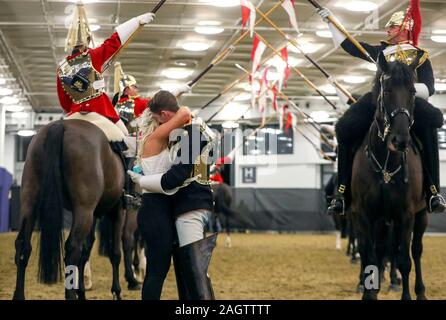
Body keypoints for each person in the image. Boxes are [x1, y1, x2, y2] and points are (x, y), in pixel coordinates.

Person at [317, 5, 446, 215]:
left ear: (405, 29)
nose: (387, 30)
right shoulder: (382, 52)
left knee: (432, 125)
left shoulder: (420, 55)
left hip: (409, 100)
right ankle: (342, 192)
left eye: (392, 27)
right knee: (345, 128)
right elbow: (351, 46)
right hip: (380, 99)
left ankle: (433, 192)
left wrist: (409, 91)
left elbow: (429, 87)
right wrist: (330, 22)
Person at [129, 90, 217, 300]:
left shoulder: (189, 134)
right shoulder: (157, 138)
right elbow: (183, 112)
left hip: (184, 206)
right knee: (168, 270)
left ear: (164, 115)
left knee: (191, 268)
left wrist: (141, 181)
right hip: (162, 208)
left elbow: (172, 179)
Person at [57, 1, 155, 148]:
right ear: (88, 39)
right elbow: (114, 41)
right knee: (125, 140)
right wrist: (137, 22)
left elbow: (64, 103)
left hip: (74, 113)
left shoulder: (62, 67)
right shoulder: (93, 56)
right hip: (100, 110)